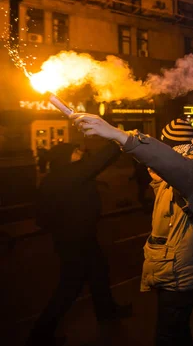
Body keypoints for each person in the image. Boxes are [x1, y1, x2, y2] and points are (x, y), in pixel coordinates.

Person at [70, 116, 193, 346]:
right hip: (174, 265)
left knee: (166, 337)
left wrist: (118, 134)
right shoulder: (180, 173)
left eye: (163, 147)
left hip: (180, 269)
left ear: (170, 150)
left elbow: (166, 160)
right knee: (177, 330)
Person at [28, 142, 132, 346]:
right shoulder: (68, 174)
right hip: (75, 239)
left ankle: (107, 312)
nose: (80, 152)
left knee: (99, 272)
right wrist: (115, 140)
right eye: (75, 151)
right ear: (65, 156)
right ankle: (40, 334)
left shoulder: (59, 175)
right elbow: (98, 163)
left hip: (78, 236)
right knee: (70, 286)